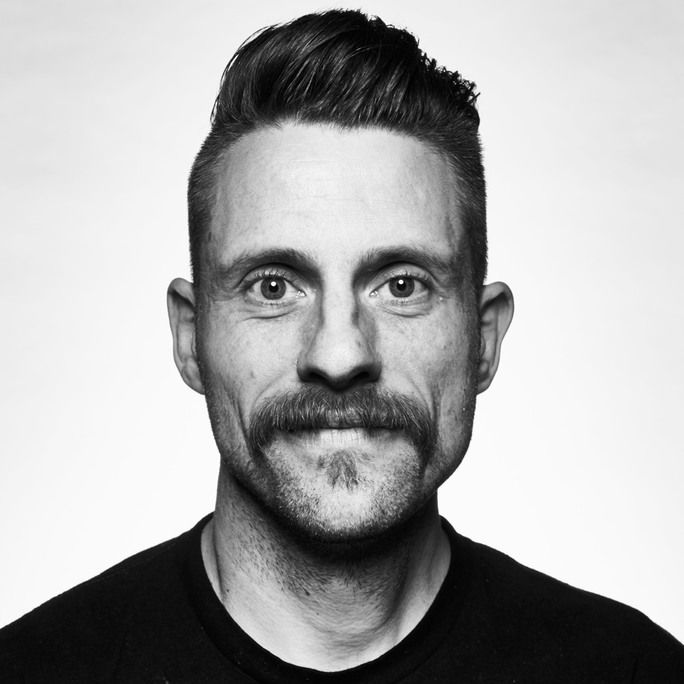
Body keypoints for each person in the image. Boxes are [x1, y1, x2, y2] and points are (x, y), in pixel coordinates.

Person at [1, 9, 683, 682]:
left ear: (483, 338)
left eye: (402, 284)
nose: (338, 354)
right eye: (273, 287)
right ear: (190, 337)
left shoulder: (630, 670)